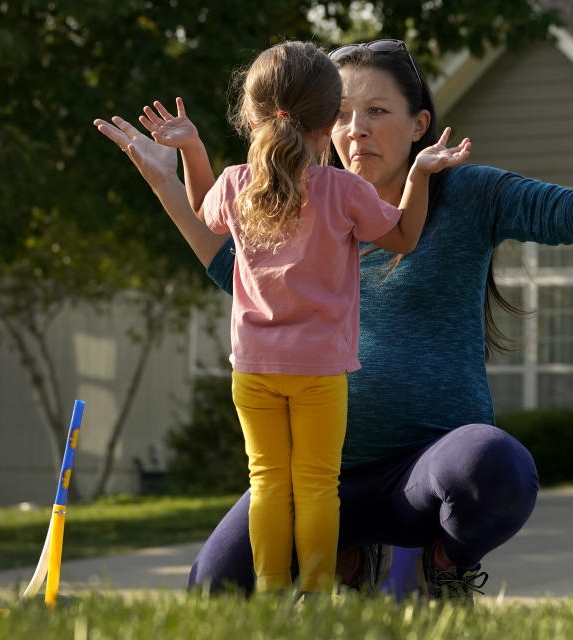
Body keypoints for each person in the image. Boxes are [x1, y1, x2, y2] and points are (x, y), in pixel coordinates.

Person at [95, 24, 573, 603]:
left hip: (425, 478)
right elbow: (225, 260)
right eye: (342, 113)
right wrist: (166, 179)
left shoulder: (468, 195)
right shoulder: (290, 199)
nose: (356, 129)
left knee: (497, 466)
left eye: (377, 110)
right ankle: (349, 555)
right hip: (320, 479)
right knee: (214, 588)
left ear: (419, 125)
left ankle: (442, 564)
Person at [100, 41, 469, 593]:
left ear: (251, 119)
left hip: (253, 370)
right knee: (318, 484)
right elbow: (404, 236)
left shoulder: (234, 184)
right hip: (320, 372)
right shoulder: (343, 191)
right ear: (329, 124)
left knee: (269, 481)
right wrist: (418, 175)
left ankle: (273, 589)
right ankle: (317, 590)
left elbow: (206, 217)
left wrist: (193, 151)